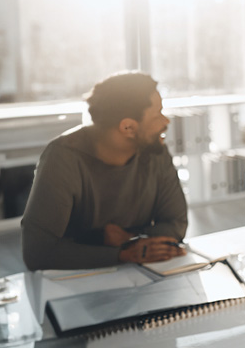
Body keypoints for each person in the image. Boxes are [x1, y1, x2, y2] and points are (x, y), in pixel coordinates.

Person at [21, 72, 187, 271]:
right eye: (158, 114)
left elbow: (176, 223)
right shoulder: (62, 157)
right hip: (72, 279)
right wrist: (122, 253)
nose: (165, 122)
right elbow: (36, 252)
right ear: (128, 127)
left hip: (138, 272)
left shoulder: (155, 151)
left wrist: (131, 239)